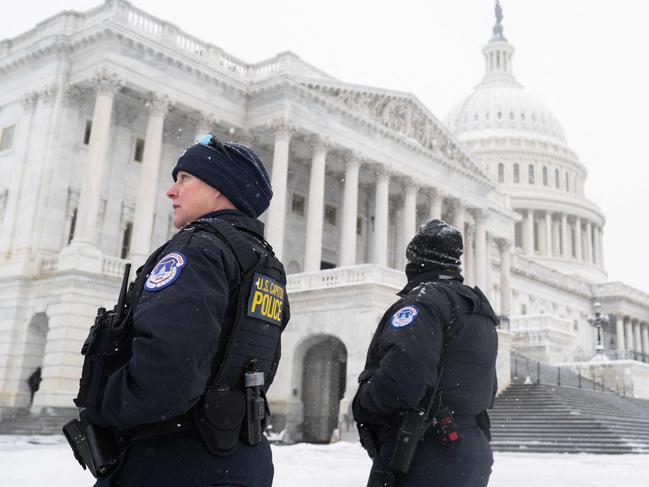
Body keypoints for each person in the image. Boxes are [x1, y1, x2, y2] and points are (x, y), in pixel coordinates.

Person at [82, 134, 289, 487]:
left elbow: (169, 368)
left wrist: (103, 408)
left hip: (170, 457)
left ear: (221, 189)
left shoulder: (197, 250)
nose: (171, 191)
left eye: (184, 179)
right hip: (238, 455)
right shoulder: (266, 265)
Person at [353, 219, 498, 487]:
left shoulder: (423, 301)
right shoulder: (478, 309)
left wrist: (363, 404)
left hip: (423, 448)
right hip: (470, 447)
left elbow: (404, 376)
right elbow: (488, 386)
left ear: (415, 260)